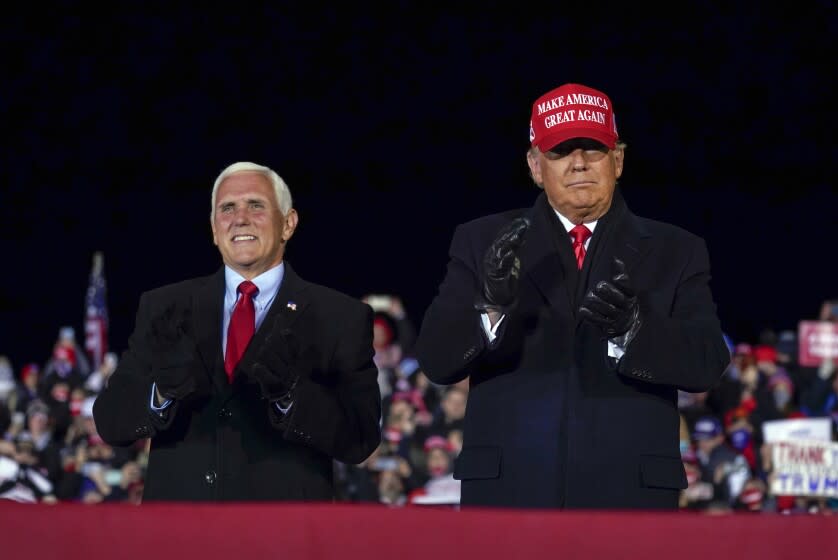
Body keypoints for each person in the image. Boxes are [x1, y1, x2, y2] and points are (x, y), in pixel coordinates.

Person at [414, 82, 730, 509]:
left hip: (629, 498)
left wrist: (635, 331)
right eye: (561, 152)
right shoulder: (482, 240)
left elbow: (708, 363)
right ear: (534, 165)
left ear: (617, 159)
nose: (579, 163)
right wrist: (490, 306)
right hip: (508, 494)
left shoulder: (677, 249)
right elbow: (437, 359)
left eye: (593, 149)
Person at [93, 161, 381, 501]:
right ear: (215, 229)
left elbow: (359, 439)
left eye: (256, 205)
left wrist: (292, 396)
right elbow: (111, 422)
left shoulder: (339, 316)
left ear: (288, 224)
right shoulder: (165, 308)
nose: (240, 218)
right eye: (227, 208)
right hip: (180, 536)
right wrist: (161, 393)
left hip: (281, 539)